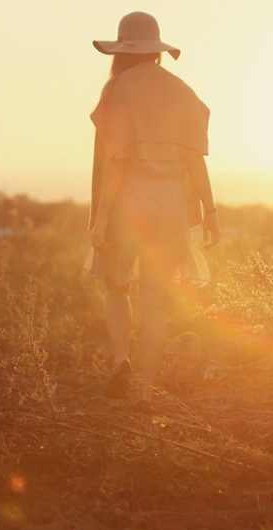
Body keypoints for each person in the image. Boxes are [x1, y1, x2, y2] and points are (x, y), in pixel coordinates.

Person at [85, 11, 220, 409]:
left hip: (130, 202)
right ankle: (144, 389)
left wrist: (102, 218)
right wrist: (211, 212)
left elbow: (116, 162)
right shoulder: (181, 90)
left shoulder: (118, 89)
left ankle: (120, 361)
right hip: (171, 201)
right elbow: (196, 159)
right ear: (157, 50)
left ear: (122, 50)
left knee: (115, 284)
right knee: (156, 301)